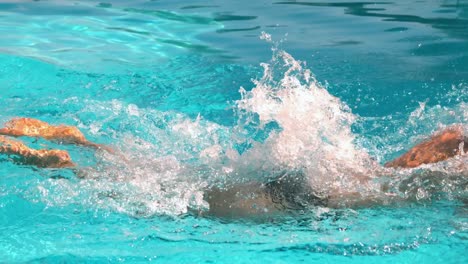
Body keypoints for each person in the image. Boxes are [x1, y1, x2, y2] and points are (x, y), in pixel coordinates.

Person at [0, 117, 466, 217]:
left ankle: (85, 143)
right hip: (306, 201)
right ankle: (51, 161)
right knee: (165, 199)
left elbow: (449, 136)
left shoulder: (435, 155)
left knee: (167, 179)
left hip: (314, 183)